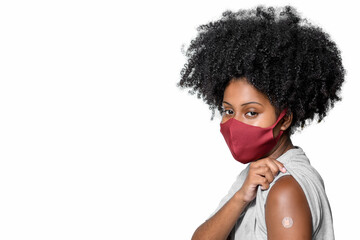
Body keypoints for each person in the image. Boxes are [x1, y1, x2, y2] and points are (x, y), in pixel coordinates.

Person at [176, 5, 345, 240]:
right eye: (228, 111)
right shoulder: (253, 177)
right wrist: (240, 197)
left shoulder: (284, 189)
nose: (234, 124)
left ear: (284, 119)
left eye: (251, 112)